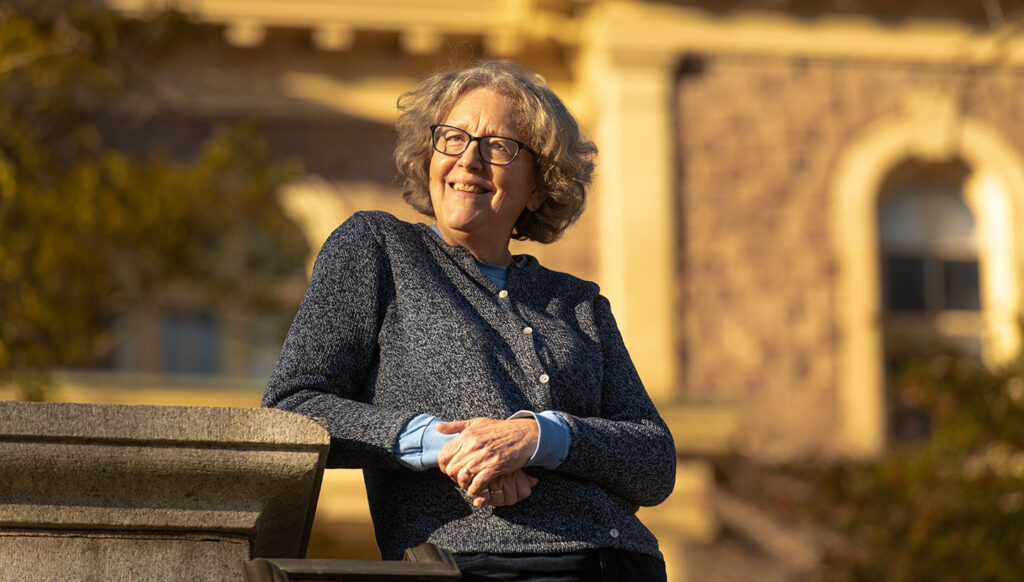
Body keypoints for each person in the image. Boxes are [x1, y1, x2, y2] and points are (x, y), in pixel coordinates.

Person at [263, 60, 676, 581]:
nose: (470, 159)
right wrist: (452, 447)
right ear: (428, 155)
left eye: (500, 147)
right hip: (479, 564)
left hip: (625, 563)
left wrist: (537, 438)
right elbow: (293, 405)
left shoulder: (579, 302)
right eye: (453, 138)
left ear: (539, 186)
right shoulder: (378, 247)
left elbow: (655, 461)